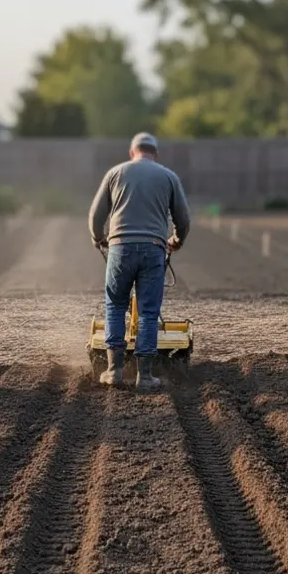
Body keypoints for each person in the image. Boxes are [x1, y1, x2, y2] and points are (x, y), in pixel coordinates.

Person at [88, 132, 191, 390]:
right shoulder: (168, 176)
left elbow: (95, 215)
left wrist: (98, 238)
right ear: (154, 154)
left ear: (132, 152)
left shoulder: (115, 173)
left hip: (119, 248)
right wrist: (176, 241)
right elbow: (183, 219)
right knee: (148, 311)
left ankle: (114, 371)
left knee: (115, 305)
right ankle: (145, 377)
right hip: (153, 249)